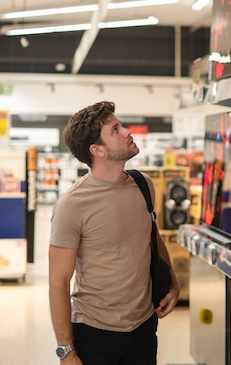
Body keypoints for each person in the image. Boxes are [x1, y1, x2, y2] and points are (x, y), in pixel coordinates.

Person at [48, 101, 180, 365]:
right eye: (116, 130)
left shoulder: (144, 185)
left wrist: (173, 283)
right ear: (97, 150)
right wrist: (66, 350)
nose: (127, 132)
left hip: (143, 327)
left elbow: (152, 238)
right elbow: (58, 282)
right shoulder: (73, 204)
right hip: (95, 333)